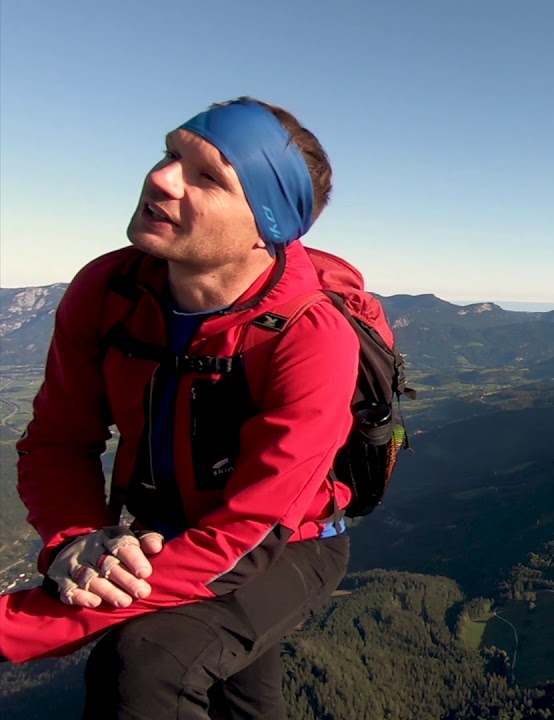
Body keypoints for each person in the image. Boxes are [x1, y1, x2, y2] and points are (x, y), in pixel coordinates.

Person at [0, 97, 360, 719]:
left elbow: (245, 537)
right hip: (162, 533)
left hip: (286, 544)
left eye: (207, 177)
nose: (162, 178)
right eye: (171, 153)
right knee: (237, 697)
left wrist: (25, 623)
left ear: (264, 226)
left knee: (148, 666)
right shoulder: (108, 290)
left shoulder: (310, 335)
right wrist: (76, 542)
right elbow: (58, 442)